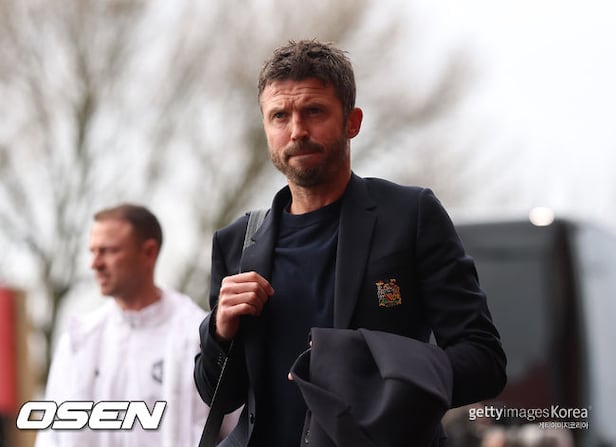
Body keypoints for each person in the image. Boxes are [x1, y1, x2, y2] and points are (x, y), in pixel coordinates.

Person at [194, 39, 507, 446]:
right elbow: (217, 393)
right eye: (279, 116)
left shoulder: (411, 216)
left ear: (352, 122)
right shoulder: (237, 241)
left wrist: (372, 372)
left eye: (314, 111)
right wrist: (220, 332)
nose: (297, 131)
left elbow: (484, 360)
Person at [36, 204, 210, 447]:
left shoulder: (197, 336)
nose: (95, 263)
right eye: (93, 251)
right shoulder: (79, 340)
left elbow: (236, 432)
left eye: (108, 250)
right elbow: (51, 437)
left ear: (149, 252)